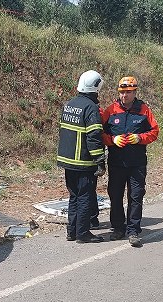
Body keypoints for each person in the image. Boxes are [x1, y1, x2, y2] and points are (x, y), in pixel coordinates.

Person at [101, 76, 160, 247]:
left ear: (135, 92)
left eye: (128, 92)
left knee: (136, 196)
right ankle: (118, 228)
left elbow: (155, 132)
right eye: (122, 92)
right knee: (116, 195)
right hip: (116, 163)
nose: (124, 96)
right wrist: (112, 140)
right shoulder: (111, 110)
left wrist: (139, 138)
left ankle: (133, 230)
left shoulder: (144, 110)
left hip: (137, 164)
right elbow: (99, 134)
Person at [57, 70, 107, 243]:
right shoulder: (90, 108)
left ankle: (72, 232)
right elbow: (93, 137)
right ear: (95, 87)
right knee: (85, 197)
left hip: (67, 161)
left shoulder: (69, 104)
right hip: (83, 162)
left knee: (74, 196)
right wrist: (100, 160)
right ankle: (83, 233)